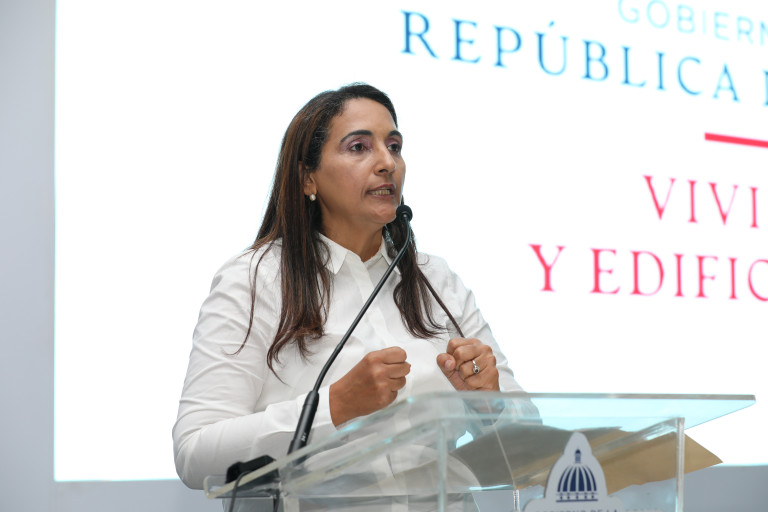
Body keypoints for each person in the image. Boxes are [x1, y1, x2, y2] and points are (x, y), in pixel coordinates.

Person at [172, 83, 524, 490]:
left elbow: (527, 433)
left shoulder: (435, 279)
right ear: (308, 179)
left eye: (394, 146)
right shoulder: (256, 279)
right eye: (359, 147)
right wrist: (335, 406)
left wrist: (490, 404)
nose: (387, 163)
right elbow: (195, 452)